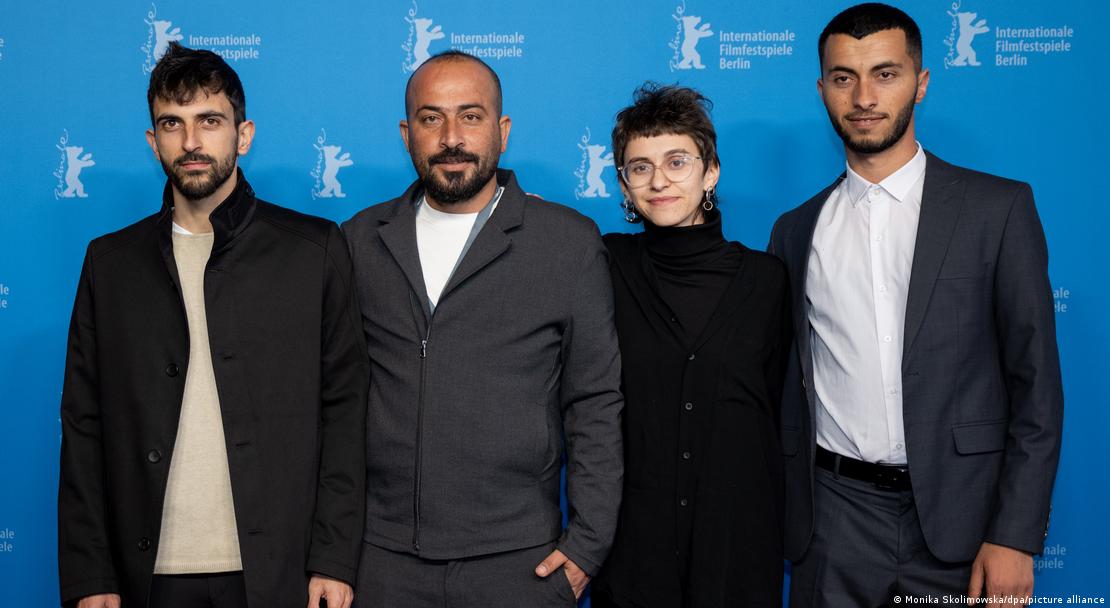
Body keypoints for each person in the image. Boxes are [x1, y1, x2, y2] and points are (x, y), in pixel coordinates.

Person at [768, 3, 1064, 606]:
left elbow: (1036, 383)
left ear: (921, 82)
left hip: (966, 523)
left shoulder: (996, 210)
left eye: (886, 73)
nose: (864, 96)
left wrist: (1014, 535)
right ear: (822, 89)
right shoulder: (796, 230)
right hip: (833, 522)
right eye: (844, 77)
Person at [57, 43, 369, 608]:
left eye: (210, 121)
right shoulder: (111, 263)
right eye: (172, 124)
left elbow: (346, 411)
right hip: (145, 574)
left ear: (242, 134)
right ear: (154, 142)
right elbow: (84, 425)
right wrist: (90, 574)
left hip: (276, 573)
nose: (192, 142)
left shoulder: (314, 250)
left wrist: (333, 556)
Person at [341, 51, 623, 607]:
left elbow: (594, 402)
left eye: (470, 116)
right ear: (406, 133)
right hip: (382, 563)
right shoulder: (358, 241)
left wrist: (588, 547)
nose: (451, 137)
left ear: (502, 129)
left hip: (520, 565)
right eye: (430, 118)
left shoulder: (566, 243)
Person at [590, 84, 790, 608]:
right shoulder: (602, 265)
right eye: (639, 167)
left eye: (676, 161)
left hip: (737, 552)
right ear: (623, 183)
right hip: (634, 555)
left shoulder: (768, 281)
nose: (658, 181)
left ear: (711, 171)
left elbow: (775, 412)